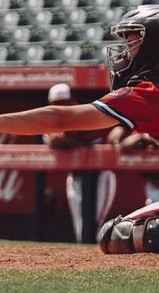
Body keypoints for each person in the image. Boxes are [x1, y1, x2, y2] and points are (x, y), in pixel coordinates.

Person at [0, 4, 159, 253]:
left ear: (157, 45)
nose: (126, 51)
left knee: (119, 234)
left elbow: (59, 120)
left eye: (133, 42)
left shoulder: (154, 91)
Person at [42, 83, 117, 243]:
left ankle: (100, 265)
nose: (60, 108)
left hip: (100, 177)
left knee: (94, 227)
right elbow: (53, 141)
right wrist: (71, 139)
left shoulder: (84, 114)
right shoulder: (48, 119)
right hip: (75, 179)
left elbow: (83, 136)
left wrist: (69, 139)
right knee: (80, 229)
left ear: (72, 102)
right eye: (56, 104)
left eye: (64, 103)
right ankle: (85, 264)